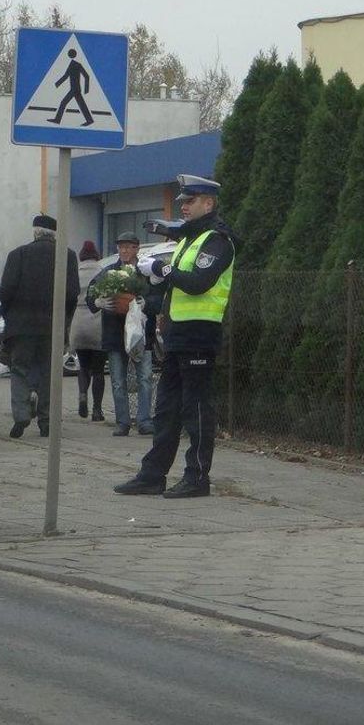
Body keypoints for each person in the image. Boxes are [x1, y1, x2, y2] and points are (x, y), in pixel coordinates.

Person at [114, 175, 238, 499]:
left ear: (208, 204)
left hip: (200, 333)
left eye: (190, 201)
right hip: (178, 333)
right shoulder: (188, 239)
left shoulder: (217, 240)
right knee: (166, 408)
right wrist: (152, 284)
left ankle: (197, 478)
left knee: (195, 409)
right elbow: (175, 285)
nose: (183, 206)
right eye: (183, 201)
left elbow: (197, 282)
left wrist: (163, 269)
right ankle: (152, 475)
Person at [0, 213, 79, 438]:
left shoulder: (18, 255)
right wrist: (64, 319)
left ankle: (21, 415)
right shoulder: (68, 256)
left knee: (20, 370)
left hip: (21, 326)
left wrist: (9, 312)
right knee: (49, 373)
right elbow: (72, 294)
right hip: (51, 327)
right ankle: (47, 421)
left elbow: (6, 290)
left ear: (35, 232)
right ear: (55, 234)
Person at [87, 232, 162, 437]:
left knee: (145, 378)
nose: (124, 251)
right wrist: (97, 302)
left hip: (141, 335)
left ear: (137, 249)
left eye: (129, 247)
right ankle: (123, 422)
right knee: (118, 380)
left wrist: (147, 304)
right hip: (114, 334)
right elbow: (91, 293)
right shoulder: (109, 272)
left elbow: (159, 298)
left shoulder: (145, 273)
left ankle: (145, 421)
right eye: (121, 247)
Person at [70, 240, 105, 422]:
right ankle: (97, 410)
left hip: (78, 322)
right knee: (98, 369)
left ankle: (82, 393)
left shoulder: (74, 273)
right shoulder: (102, 272)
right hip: (98, 321)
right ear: (97, 256)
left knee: (83, 366)